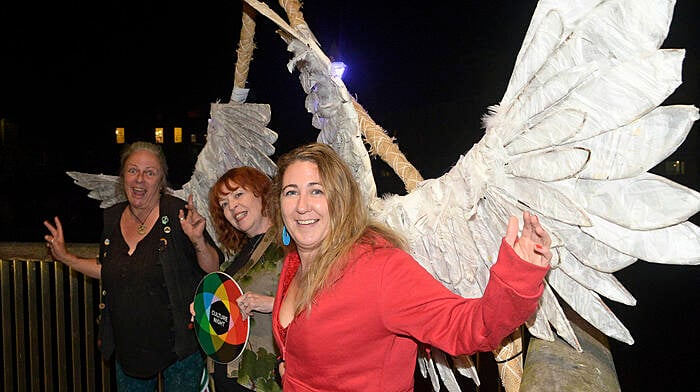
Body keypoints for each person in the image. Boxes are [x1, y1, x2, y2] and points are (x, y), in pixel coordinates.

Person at [267, 143, 552, 391]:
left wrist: (520, 275)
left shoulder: (379, 270)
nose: (302, 206)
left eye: (316, 191)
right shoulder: (294, 263)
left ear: (340, 200)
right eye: (291, 192)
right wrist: (287, 368)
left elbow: (468, 326)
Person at [43, 141, 223, 391]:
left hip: (180, 348)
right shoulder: (112, 217)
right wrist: (65, 257)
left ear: (161, 181)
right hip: (129, 347)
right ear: (122, 176)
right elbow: (110, 269)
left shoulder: (177, 212)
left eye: (150, 173)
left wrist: (198, 241)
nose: (140, 179)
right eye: (133, 170)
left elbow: (212, 268)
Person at [204, 167, 284, 391]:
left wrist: (272, 304)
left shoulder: (290, 245)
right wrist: (204, 308)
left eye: (238, 194)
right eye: (224, 204)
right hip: (227, 375)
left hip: (262, 379)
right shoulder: (235, 259)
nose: (232, 207)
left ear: (261, 192)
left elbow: (317, 303)